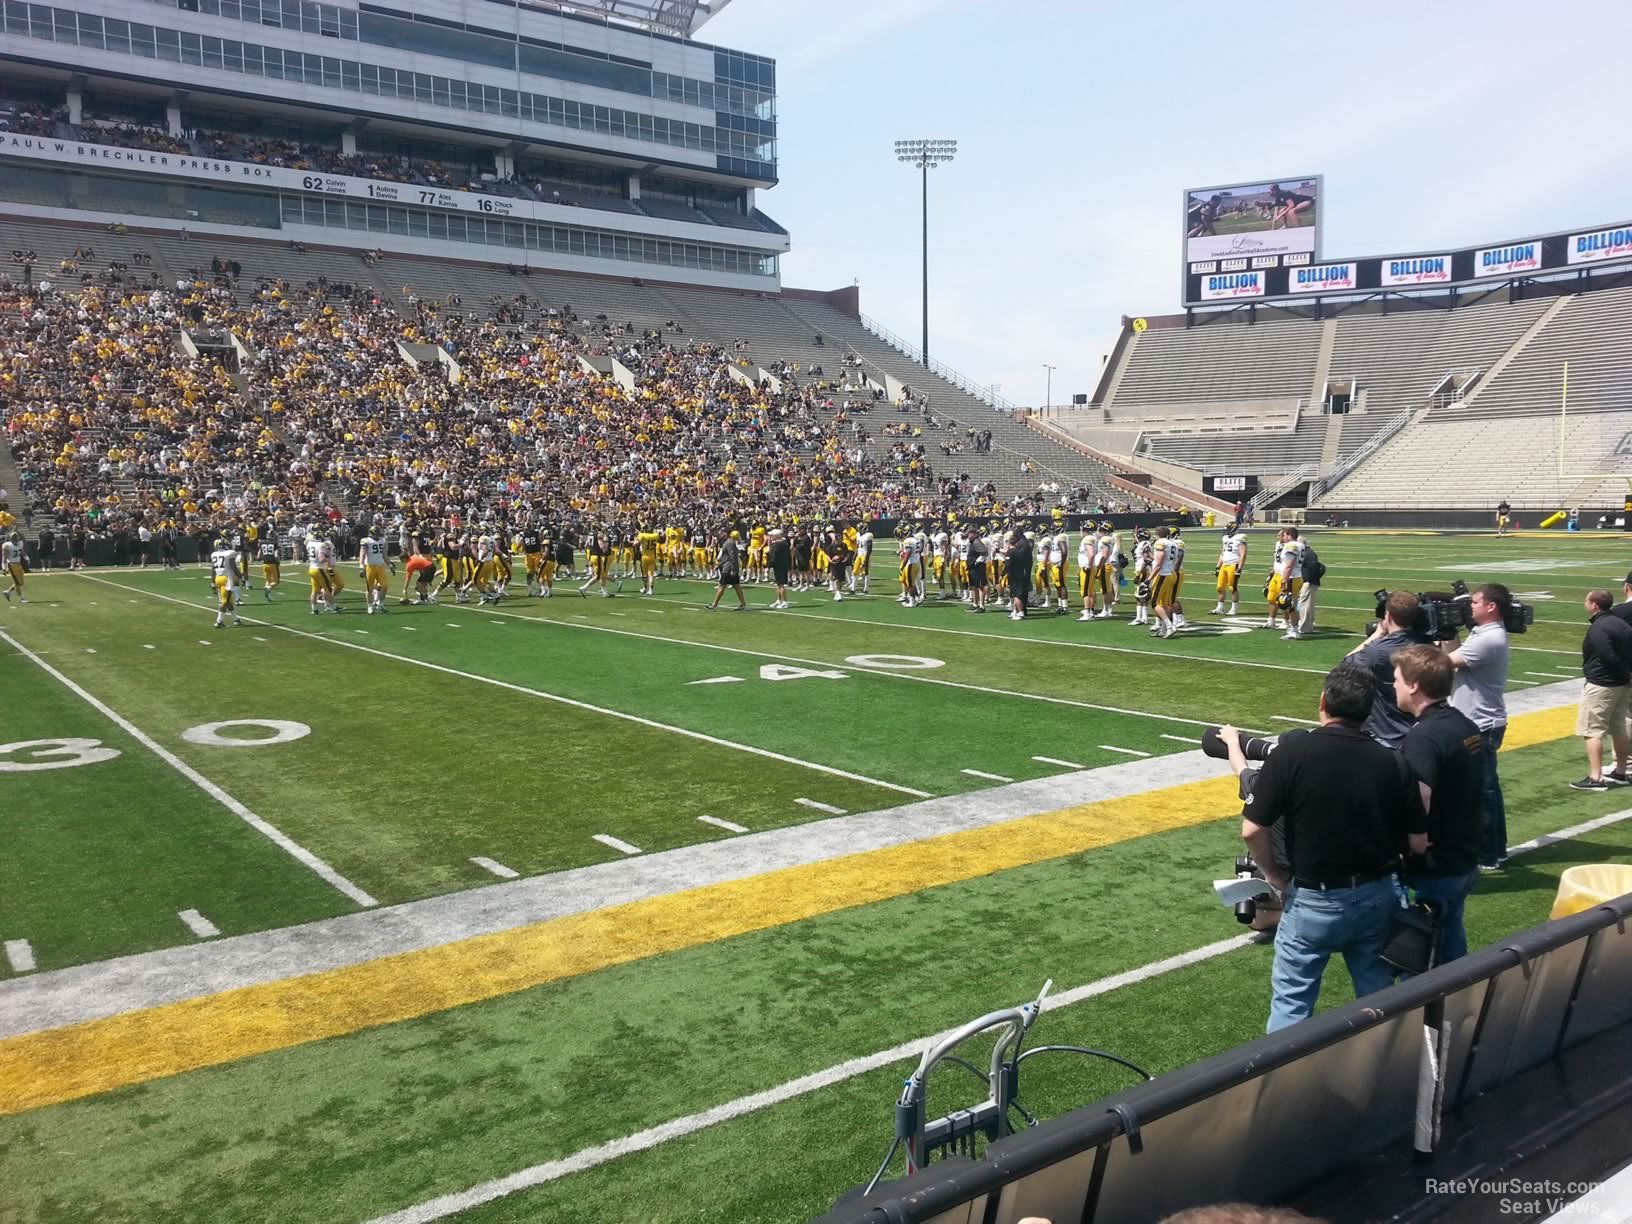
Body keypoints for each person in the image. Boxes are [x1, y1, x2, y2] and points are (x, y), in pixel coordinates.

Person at [1224, 662, 1426, 1032]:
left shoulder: (1291, 756)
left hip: (1313, 898)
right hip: (1375, 895)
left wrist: (1272, 875)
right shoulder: (1393, 761)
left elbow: (1252, 830)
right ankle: (1385, 1073)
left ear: (1323, 702)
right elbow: (1417, 841)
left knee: (1292, 1006)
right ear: (1369, 710)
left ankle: (1287, 1084)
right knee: (1379, 1000)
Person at [1394, 644, 1486, 966]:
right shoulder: (1465, 725)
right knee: (1451, 940)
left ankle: (1429, 1014)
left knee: (1418, 957)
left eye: (1397, 679)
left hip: (1436, 865)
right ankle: (1458, 1008)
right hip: (1464, 854)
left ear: (1414, 685)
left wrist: (1407, 843)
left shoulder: (1424, 738)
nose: (1394, 686)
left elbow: (1419, 800)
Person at [1444, 584, 1511, 867]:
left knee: (1483, 791)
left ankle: (1488, 852)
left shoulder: (1489, 638)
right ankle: (1496, 848)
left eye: (1474, 602)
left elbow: (1445, 663)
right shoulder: (1484, 634)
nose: (1470, 607)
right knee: (1487, 788)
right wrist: (1448, 633)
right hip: (1480, 718)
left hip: (1481, 722)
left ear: (1491, 606)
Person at [1346, 591, 1429, 748]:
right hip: (1419, 730)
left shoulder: (1377, 651)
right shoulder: (1428, 645)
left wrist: (1377, 634)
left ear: (1388, 616)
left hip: (1386, 733)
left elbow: (1345, 666)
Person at [1570, 590, 1632, 791]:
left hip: (1602, 685)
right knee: (1619, 728)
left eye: (1586, 601)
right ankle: (1621, 772)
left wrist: (1624, 675)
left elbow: (1608, 656)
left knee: (1592, 730)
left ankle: (1596, 777)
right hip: (1621, 686)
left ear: (1595, 605)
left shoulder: (1599, 627)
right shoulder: (1621, 623)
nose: (1585, 604)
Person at [1212, 521, 1248, 616]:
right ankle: (1220, 607)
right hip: (1225, 565)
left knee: (1233, 588)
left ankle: (1234, 609)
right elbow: (1223, 553)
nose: (1226, 531)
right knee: (1220, 587)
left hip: (1234, 564)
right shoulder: (1225, 538)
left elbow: (1243, 554)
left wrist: (1239, 568)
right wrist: (1217, 566)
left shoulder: (1239, 538)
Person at [208, 536, 243, 628]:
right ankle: (219, 622)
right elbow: (233, 567)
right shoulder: (229, 553)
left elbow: (213, 570)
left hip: (218, 578)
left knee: (228, 601)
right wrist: (240, 576)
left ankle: (236, 619)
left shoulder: (214, 554)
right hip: (227, 579)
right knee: (225, 601)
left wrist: (212, 582)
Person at [708, 530, 746, 610]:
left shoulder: (730, 543)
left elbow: (733, 557)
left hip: (728, 568)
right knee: (736, 586)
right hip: (728, 566)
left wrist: (734, 569)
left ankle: (714, 604)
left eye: (723, 532)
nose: (721, 534)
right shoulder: (730, 542)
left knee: (722, 585)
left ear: (728, 534)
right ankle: (743, 604)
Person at [1006, 529, 1033, 621]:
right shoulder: (1023, 542)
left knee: (1019, 592)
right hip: (1022, 569)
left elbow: (1020, 558)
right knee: (1018, 592)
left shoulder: (1022, 543)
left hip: (1021, 570)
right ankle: (1017, 610)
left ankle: (1021, 610)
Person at [768, 528, 792, 608]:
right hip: (780, 565)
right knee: (778, 584)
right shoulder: (782, 543)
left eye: (772, 535)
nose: (771, 537)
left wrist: (770, 565)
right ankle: (778, 600)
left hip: (780, 566)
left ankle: (785, 601)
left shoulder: (779, 544)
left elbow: (774, 556)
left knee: (781, 584)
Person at [2, 531, 27, 603]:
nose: (17, 539)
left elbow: (22, 551)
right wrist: (4, 568)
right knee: (17, 583)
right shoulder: (7, 545)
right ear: (11, 539)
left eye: (17, 537)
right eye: (15, 538)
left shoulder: (20, 543)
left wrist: (27, 558)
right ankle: (21, 598)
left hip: (18, 564)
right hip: (11, 565)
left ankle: (8, 592)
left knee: (21, 582)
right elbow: (4, 558)